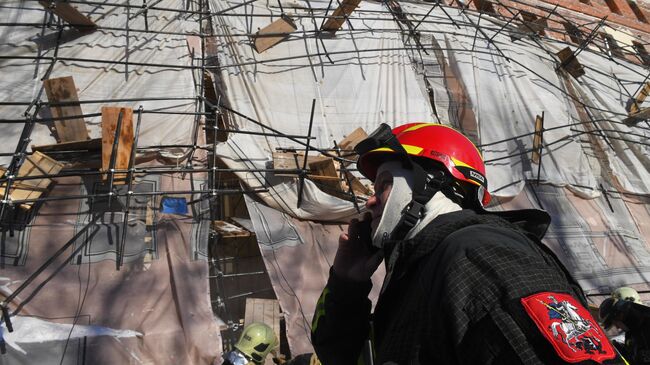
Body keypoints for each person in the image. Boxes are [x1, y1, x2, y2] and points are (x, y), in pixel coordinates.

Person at [311, 123, 626, 364]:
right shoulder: (422, 270)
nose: (370, 201)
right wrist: (347, 284)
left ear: (433, 185)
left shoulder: (481, 254)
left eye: (384, 185)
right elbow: (339, 356)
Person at [600, 287, 650, 364]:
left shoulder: (645, 329)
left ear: (621, 315)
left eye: (615, 322)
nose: (617, 327)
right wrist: (619, 349)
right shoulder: (634, 331)